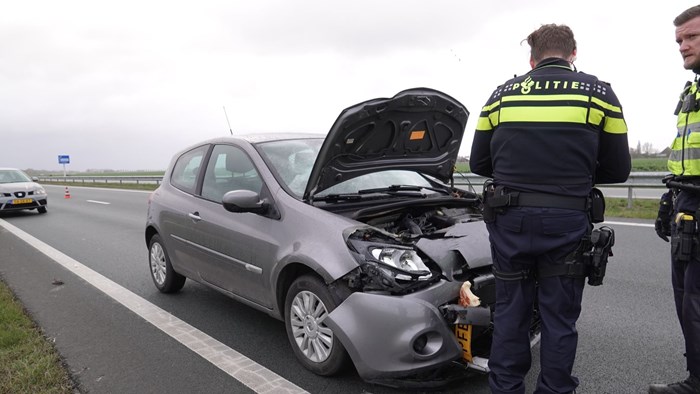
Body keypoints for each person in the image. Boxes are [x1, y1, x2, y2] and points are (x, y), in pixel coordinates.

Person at [470, 24, 631, 394]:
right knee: (559, 320)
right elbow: (618, 170)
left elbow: (479, 163)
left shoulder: (501, 95)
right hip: (567, 222)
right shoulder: (598, 93)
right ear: (573, 54)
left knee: (511, 314)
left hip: (509, 221)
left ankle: (505, 388)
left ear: (531, 57)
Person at [650, 5, 700, 394]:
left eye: (692, 37)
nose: (683, 46)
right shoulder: (691, 90)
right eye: (679, 40)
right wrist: (672, 197)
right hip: (688, 202)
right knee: (686, 299)